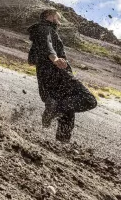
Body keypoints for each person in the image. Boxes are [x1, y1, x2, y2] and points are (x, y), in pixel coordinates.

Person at [28, 9, 98, 142]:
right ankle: (54, 110)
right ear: (49, 16)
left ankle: (62, 142)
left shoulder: (39, 31)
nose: (59, 21)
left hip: (46, 78)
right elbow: (47, 44)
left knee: (67, 108)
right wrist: (54, 59)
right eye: (57, 17)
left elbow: (31, 60)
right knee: (89, 100)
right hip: (57, 75)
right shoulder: (44, 28)